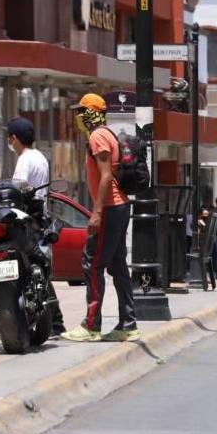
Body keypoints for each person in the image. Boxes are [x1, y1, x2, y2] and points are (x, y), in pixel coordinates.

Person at [61, 93, 138, 343]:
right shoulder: (108, 134)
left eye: (82, 112)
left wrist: (96, 213)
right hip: (119, 206)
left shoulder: (97, 136)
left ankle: (91, 325)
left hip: (110, 208)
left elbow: (105, 176)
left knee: (92, 263)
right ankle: (128, 324)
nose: (79, 117)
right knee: (117, 266)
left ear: (92, 113)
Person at [3, 117, 65, 337]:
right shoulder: (40, 157)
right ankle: (55, 321)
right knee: (39, 269)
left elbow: (18, 185)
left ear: (15, 138)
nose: (9, 140)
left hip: (26, 218)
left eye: (9, 136)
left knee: (23, 266)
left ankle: (52, 320)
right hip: (40, 217)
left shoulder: (25, 159)